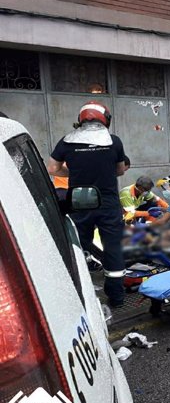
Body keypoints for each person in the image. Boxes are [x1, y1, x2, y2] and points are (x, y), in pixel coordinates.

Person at [47, 101, 127, 308]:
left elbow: (52, 168)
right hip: (107, 202)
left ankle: (79, 296)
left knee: (77, 247)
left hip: (80, 200)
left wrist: (73, 171)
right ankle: (117, 297)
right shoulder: (114, 141)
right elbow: (120, 169)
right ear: (105, 119)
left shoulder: (67, 141)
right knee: (112, 248)